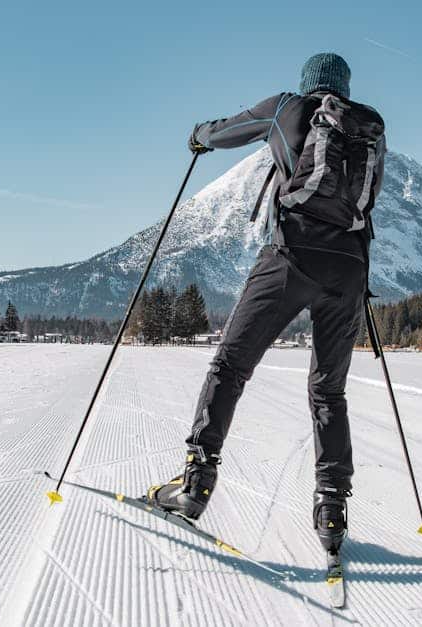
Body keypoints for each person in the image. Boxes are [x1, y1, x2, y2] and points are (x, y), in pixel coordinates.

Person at [148, 53, 386, 556]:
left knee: (231, 365)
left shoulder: (286, 108)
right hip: (347, 269)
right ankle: (331, 507)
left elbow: (225, 131)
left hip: (291, 257)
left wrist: (198, 135)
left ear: (308, 84)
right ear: (344, 88)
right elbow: (366, 211)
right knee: (329, 392)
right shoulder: (365, 131)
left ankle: (195, 482)